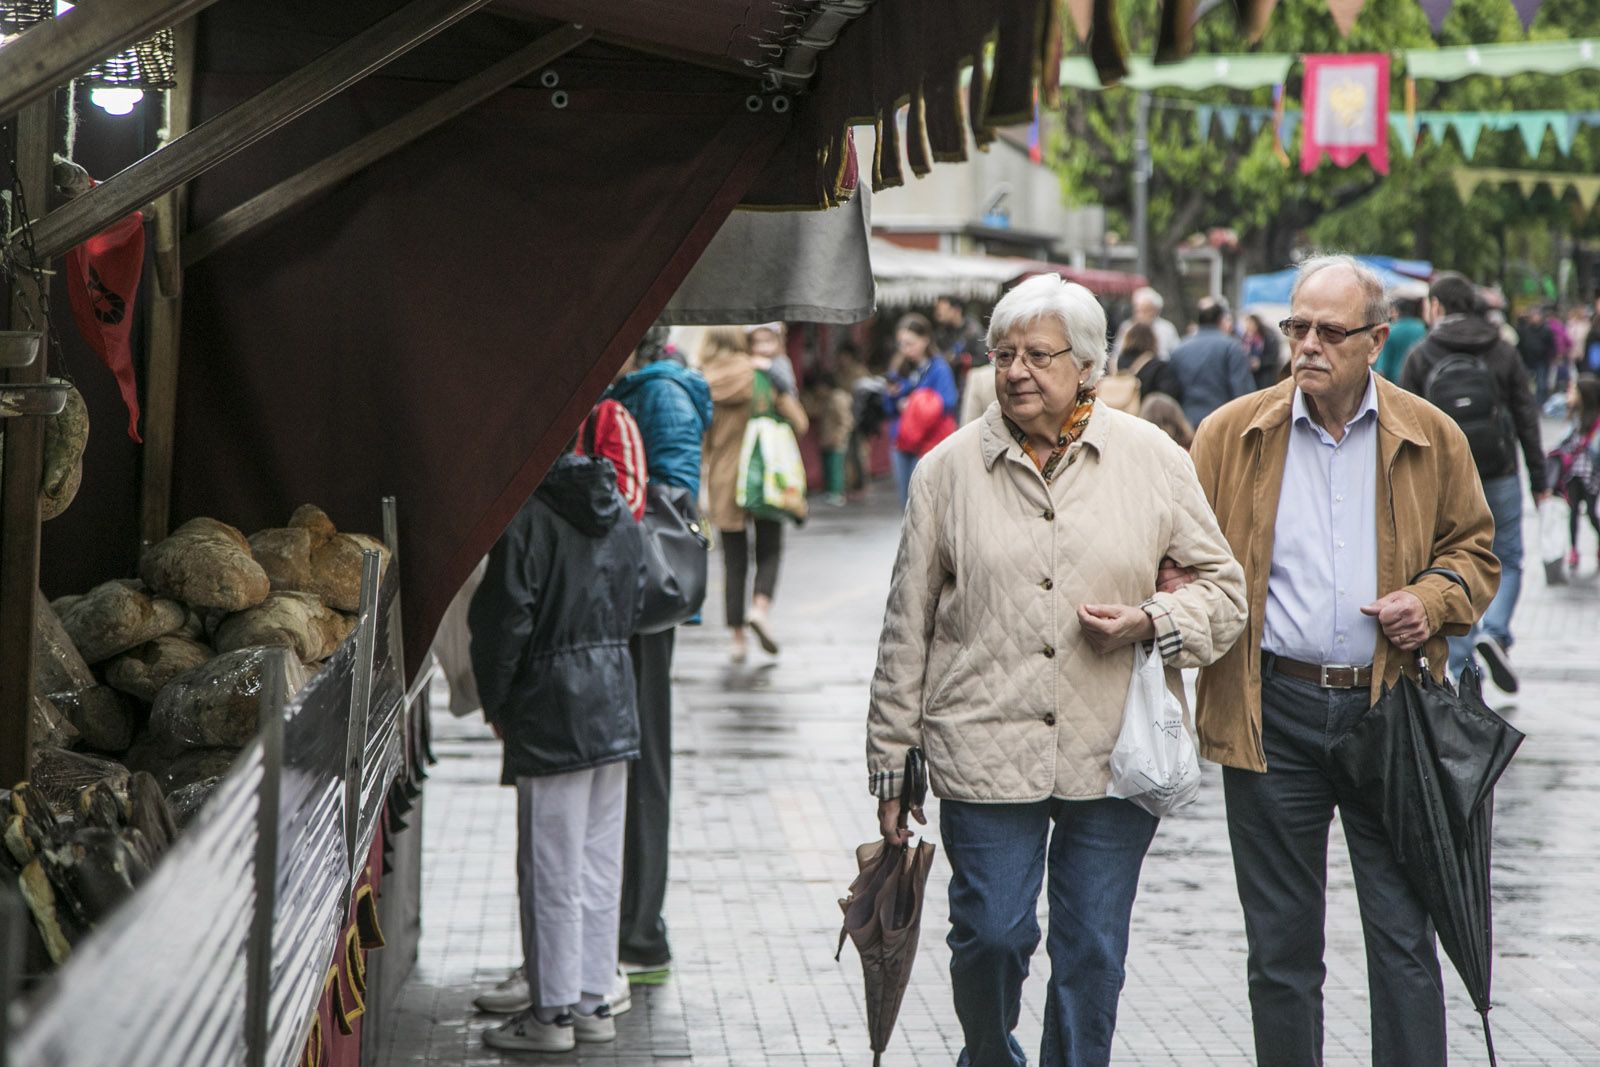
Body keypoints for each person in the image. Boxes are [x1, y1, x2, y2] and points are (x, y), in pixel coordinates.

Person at [866, 273, 1248, 1067]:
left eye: (1038, 355)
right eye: (1003, 353)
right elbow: (906, 625)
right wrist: (892, 768)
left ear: (1087, 366)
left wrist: (1155, 620)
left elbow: (1225, 592)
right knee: (992, 936)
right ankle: (989, 1052)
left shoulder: (1151, 458)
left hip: (1113, 752)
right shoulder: (946, 472)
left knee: (1092, 954)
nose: (1014, 371)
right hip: (982, 743)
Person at [1184, 254, 1498, 1067]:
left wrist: (1427, 601)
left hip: (1389, 713)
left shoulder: (1432, 435)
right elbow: (1178, 550)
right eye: (1298, 328)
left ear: (1377, 339)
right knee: (1281, 952)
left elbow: (1476, 552)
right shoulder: (1230, 434)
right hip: (1270, 714)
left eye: (1330, 330)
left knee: (1402, 938)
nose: (1308, 346)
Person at [469, 447, 648, 1053]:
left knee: (550, 867)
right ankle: (595, 1000)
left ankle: (551, 1016)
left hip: (551, 709)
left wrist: (497, 704)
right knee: (600, 862)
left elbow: (502, 624)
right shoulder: (620, 511)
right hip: (614, 700)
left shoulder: (525, 518)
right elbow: (639, 598)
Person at [606, 326, 713, 982]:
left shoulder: (663, 394)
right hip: (616, 596)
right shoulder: (635, 387)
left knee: (643, 762)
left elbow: (672, 508)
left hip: (640, 604)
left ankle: (642, 930)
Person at [1400, 271, 1547, 693]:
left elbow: (1402, 423)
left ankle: (1462, 657)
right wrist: (1539, 478)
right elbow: (1526, 416)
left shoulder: (1422, 353)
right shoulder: (1502, 349)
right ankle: (1495, 632)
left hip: (1443, 479)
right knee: (1510, 556)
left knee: (1451, 561)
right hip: (1499, 471)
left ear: (1437, 306)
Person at [699, 325, 809, 661]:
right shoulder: (761, 376)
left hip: (722, 479)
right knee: (770, 549)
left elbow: (700, 439)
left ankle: (736, 639)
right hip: (763, 478)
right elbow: (800, 423)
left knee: (733, 560)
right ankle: (759, 609)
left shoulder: (702, 383)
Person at [883, 313, 958, 506]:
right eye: (901, 344)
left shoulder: (939, 368)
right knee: (905, 503)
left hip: (928, 443)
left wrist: (914, 404)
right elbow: (888, 409)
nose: (905, 349)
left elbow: (948, 402)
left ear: (925, 340)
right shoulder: (899, 369)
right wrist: (893, 396)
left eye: (910, 343)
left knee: (926, 503)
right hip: (902, 441)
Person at [1169, 299, 1256, 428]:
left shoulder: (1179, 349)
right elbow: (1242, 391)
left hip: (1187, 423)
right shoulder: (1232, 347)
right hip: (1221, 423)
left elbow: (1172, 390)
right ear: (1221, 320)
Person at [1549, 376, 1600, 572]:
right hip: (1572, 473)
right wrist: (1567, 399)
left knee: (1590, 512)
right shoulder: (1575, 413)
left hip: (1591, 473)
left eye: (1576, 391)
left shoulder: (1595, 418)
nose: (1573, 395)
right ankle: (1573, 550)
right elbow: (1549, 409)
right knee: (1572, 512)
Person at [803, 370, 854, 506]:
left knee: (836, 468)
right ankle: (830, 492)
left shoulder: (838, 399)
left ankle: (837, 493)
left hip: (836, 441)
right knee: (828, 467)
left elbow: (846, 421)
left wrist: (839, 436)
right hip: (826, 439)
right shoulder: (826, 399)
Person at [1110, 285, 1181, 360]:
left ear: (1156, 311)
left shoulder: (1166, 328)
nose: (1140, 315)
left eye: (1146, 310)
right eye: (1137, 310)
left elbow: (1176, 354)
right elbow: (1116, 355)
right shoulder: (1127, 327)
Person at [1375, 297, 1425, 383]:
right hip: (1418, 381)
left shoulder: (1388, 331)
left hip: (1395, 383)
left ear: (1396, 311)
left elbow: (1382, 368)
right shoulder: (1422, 328)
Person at [1516, 304, 1557, 405]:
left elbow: (1551, 345)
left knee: (1541, 384)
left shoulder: (1546, 330)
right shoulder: (1525, 330)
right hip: (1527, 360)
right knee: (1526, 383)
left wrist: (1552, 357)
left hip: (1541, 360)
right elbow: (1521, 344)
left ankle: (1540, 404)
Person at [1241, 313, 1287, 390]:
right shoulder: (1246, 339)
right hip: (1251, 378)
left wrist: (1260, 363)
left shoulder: (1269, 338)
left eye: (1250, 323)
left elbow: (1273, 358)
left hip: (1265, 378)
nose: (1248, 326)